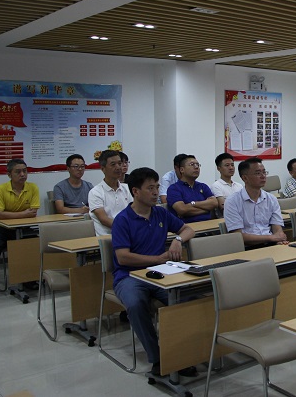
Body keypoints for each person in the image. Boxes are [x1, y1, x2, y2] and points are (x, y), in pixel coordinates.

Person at [112, 167, 196, 377]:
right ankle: (158, 358)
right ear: (135, 191)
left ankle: (183, 351)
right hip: (129, 276)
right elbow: (123, 257)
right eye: (150, 188)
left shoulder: (160, 213)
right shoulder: (123, 219)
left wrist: (177, 240)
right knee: (135, 304)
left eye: (157, 187)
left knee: (188, 298)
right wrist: (157, 259)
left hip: (160, 272)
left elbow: (188, 229)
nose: (156, 192)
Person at [0, 159, 40, 300]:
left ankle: (29, 280)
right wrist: (23, 214)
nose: (22, 174)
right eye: (18, 172)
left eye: (25, 171)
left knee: (36, 245)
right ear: (9, 174)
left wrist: (13, 215)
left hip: (25, 229)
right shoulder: (1, 189)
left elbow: (33, 213)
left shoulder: (33, 187)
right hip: (3, 230)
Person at [224, 157, 288, 248]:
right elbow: (238, 236)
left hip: (271, 243)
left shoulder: (271, 199)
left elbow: (277, 227)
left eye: (264, 172)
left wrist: (279, 237)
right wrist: (271, 238)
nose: (263, 176)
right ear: (245, 178)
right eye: (258, 173)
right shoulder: (232, 201)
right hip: (247, 248)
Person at [88, 150, 132, 235]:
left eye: (119, 163)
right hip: (108, 237)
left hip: (129, 234)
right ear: (103, 169)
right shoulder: (95, 192)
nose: (118, 167)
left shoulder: (127, 188)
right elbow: (104, 219)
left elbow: (134, 212)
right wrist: (128, 228)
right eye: (113, 164)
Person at [166, 155, 218, 222]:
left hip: (208, 224)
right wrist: (207, 209)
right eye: (192, 164)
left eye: (198, 165)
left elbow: (214, 203)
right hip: (187, 226)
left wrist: (193, 204)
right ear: (182, 170)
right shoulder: (174, 188)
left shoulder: (203, 186)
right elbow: (182, 210)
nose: (196, 167)